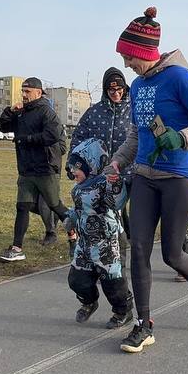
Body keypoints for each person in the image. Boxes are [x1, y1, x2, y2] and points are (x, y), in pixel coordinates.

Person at [104, 7, 188, 353]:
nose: (126, 64)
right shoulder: (138, 85)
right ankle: (144, 326)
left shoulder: (181, 78)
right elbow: (136, 134)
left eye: (128, 56)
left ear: (143, 52)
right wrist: (117, 161)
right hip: (144, 176)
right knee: (138, 248)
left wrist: (183, 138)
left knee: (172, 254)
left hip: (179, 177)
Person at [63, 138, 133, 329]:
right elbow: (79, 210)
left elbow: (118, 201)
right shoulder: (77, 189)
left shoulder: (105, 182)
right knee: (77, 279)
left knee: (112, 281)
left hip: (108, 242)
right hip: (85, 242)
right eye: (70, 168)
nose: (71, 172)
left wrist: (116, 183)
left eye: (75, 168)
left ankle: (122, 310)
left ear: (89, 165)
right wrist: (71, 218)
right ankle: (89, 301)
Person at [0, 77, 69, 262]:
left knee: (55, 206)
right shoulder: (21, 113)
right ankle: (16, 247)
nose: (24, 95)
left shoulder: (47, 112)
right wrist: (9, 111)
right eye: (22, 91)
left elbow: (52, 135)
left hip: (45, 168)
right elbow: (3, 127)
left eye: (27, 91)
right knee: (22, 206)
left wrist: (28, 139)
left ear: (38, 92)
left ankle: (76, 233)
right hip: (26, 169)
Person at [71, 67, 133, 238]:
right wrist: (75, 166)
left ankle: (136, 253)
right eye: (111, 90)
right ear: (106, 91)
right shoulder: (94, 112)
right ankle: (117, 259)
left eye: (119, 89)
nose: (116, 93)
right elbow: (78, 138)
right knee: (112, 217)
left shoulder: (133, 110)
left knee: (133, 218)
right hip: (104, 175)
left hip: (131, 173)